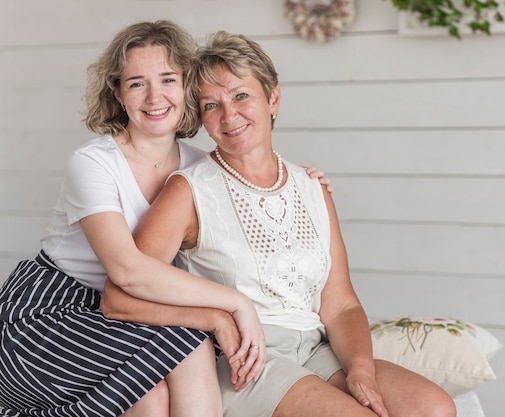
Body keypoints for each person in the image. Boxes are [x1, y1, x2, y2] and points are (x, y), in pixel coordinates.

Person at [100, 30, 457, 417]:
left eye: (241, 96)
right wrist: (215, 320)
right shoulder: (188, 191)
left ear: (273, 98)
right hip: (247, 362)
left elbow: (339, 305)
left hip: (315, 348)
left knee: (435, 408)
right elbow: (119, 297)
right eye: (210, 105)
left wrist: (360, 370)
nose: (229, 115)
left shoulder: (312, 186)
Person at [0, 21, 330, 417]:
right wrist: (233, 306)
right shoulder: (92, 163)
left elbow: (256, 184)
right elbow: (127, 271)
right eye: (137, 83)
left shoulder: (200, 168)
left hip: (137, 311)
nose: (154, 96)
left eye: (168, 79)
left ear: (188, 88)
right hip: (53, 313)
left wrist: (307, 180)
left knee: (156, 391)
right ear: (118, 94)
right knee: (188, 347)